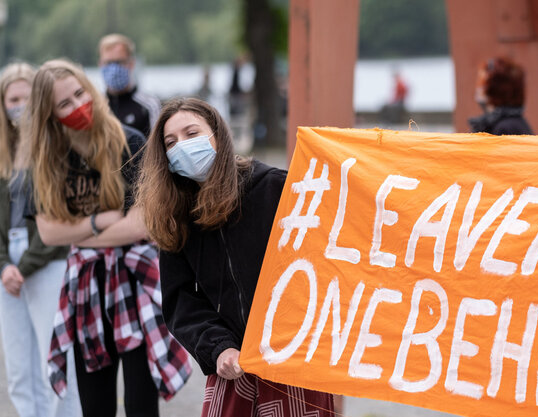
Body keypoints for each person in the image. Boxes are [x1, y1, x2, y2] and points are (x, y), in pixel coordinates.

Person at [136, 97, 335, 416]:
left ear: (217, 134)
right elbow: (180, 300)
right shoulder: (174, 215)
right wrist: (217, 346)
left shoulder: (274, 187)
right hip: (231, 365)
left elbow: (324, 259)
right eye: (170, 143)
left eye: (191, 133)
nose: (182, 146)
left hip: (293, 358)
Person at [25, 59, 191, 417]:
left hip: (135, 282)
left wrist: (79, 233)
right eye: (64, 104)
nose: (77, 106)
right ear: (49, 113)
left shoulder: (127, 142)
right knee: (96, 404)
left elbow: (139, 226)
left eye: (80, 93)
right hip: (85, 287)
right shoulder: (46, 160)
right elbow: (48, 232)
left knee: (140, 403)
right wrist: (102, 221)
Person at [0, 62, 82, 417]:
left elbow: (60, 218)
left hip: (48, 259)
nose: (18, 104)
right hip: (7, 267)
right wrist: (5, 265)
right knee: (19, 369)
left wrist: (26, 264)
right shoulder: (3, 154)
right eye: (11, 98)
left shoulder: (54, 148)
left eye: (25, 97)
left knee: (56, 360)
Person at [98, 33, 161, 137]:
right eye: (108, 63)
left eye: (119, 62)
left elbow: (158, 147)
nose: (113, 69)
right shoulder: (96, 106)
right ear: (100, 64)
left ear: (131, 64)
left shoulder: (149, 106)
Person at [468, 56, 533, 135]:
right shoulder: (504, 123)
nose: (478, 89)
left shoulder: (506, 128)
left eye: (482, 83)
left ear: (495, 89)